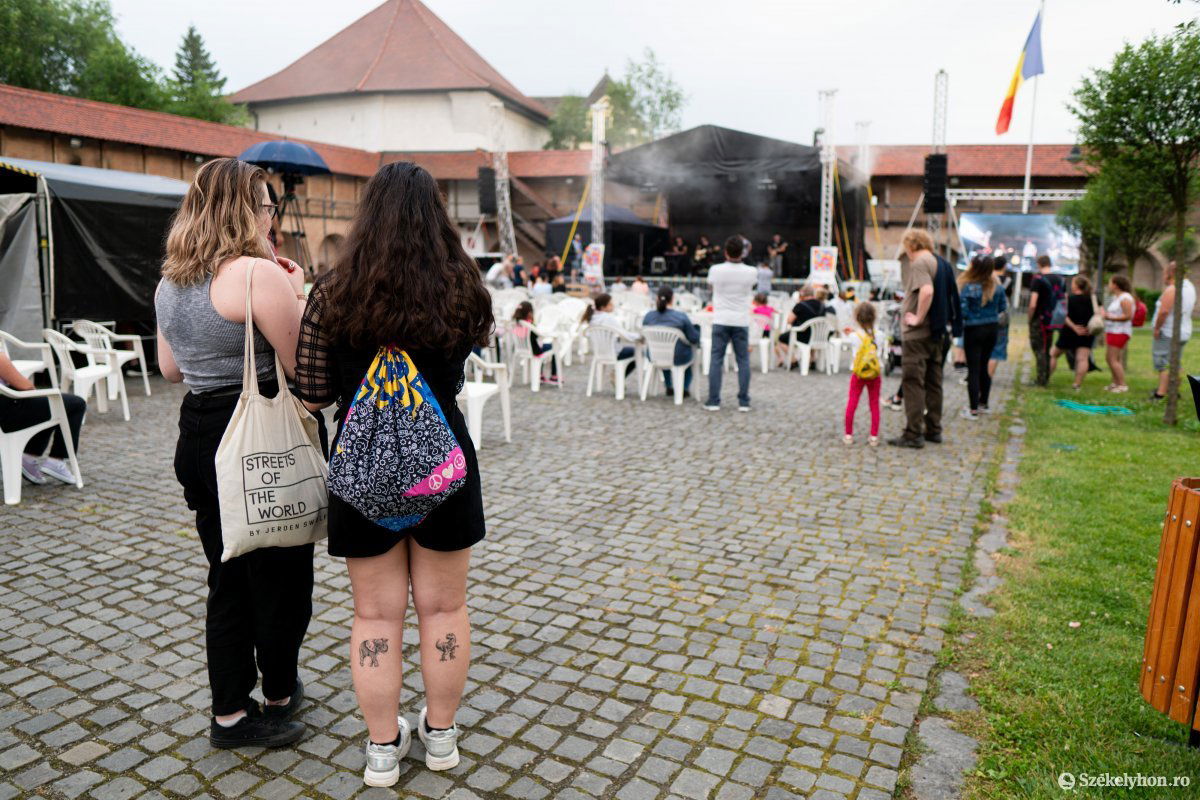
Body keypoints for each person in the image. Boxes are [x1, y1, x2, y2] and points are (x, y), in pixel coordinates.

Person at [294, 162, 491, 785]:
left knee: (375, 618)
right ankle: (442, 737)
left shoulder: (333, 291)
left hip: (362, 469)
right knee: (444, 608)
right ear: (436, 215)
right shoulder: (461, 284)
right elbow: (461, 367)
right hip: (441, 466)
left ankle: (382, 748)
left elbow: (313, 393)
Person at [155, 158, 315, 749]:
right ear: (248, 211)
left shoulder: (169, 282)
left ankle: (228, 711)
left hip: (199, 432)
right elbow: (303, 369)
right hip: (258, 432)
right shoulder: (257, 275)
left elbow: (171, 370)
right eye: (268, 206)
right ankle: (278, 694)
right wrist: (295, 291)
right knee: (281, 576)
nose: (272, 216)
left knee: (227, 576)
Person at [888, 230, 941, 448]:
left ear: (911, 245)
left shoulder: (920, 263)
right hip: (933, 332)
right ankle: (933, 428)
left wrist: (918, 318)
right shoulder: (937, 262)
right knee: (933, 381)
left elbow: (926, 291)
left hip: (917, 335)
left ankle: (913, 432)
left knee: (913, 382)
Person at [0, 351, 86, 485]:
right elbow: (26, 386)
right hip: (7, 415)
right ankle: (56, 460)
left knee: (46, 404)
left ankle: (29, 458)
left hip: (6, 410)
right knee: (75, 404)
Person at [704, 236, 757, 411]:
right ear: (742, 252)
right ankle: (744, 401)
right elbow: (752, 287)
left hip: (721, 319)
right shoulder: (751, 271)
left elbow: (711, 287)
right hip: (741, 320)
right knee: (743, 361)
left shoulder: (715, 270)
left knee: (716, 360)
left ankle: (713, 400)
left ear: (725, 252)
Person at [958, 254, 1007, 419]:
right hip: (992, 329)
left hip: (973, 330)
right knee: (984, 366)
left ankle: (973, 409)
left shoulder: (968, 287)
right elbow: (1002, 307)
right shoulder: (997, 287)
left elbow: (963, 311)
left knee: (973, 369)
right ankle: (983, 403)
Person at [642, 286, 700, 394]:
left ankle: (669, 385)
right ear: (672, 298)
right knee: (689, 353)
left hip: (654, 355)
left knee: (664, 349)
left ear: (657, 298)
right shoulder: (681, 316)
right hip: (678, 357)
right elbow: (694, 338)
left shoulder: (648, 316)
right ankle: (684, 388)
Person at [1151, 261, 1195, 400]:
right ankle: (1173, 391)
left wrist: (1157, 328)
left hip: (1168, 331)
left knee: (1163, 362)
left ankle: (1160, 394)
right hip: (1183, 330)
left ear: (1171, 272)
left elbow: (1164, 311)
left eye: (1165, 272)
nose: (1164, 276)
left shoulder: (1173, 288)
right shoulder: (1190, 287)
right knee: (1175, 362)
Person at [843, 302, 881, 447]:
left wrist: (851, 332)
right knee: (874, 404)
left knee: (852, 402)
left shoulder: (854, 336)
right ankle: (874, 436)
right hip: (874, 373)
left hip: (858, 373)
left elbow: (854, 339)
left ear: (857, 318)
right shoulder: (880, 335)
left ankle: (848, 434)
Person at [1048, 275, 1096, 392]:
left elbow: (1063, 315)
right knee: (1082, 358)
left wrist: (1074, 327)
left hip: (1068, 332)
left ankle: (1045, 378)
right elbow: (1101, 314)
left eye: (1073, 283)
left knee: (1053, 354)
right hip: (1087, 332)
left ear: (1077, 286)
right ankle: (1077, 384)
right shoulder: (1093, 299)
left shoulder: (1069, 299)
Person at [1027, 254, 1064, 387]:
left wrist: (1030, 318)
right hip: (1053, 319)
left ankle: (1041, 380)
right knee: (1047, 347)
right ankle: (1046, 377)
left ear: (1039, 264)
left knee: (1039, 349)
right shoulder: (1060, 279)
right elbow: (1063, 299)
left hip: (1040, 319)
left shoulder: (1038, 280)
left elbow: (1033, 304)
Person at [775, 284, 832, 368]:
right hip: (820, 336)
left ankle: (793, 359)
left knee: (781, 339)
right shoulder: (822, 305)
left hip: (803, 335)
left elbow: (789, 321)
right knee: (811, 333)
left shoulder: (800, 305)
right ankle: (812, 359)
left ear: (802, 294)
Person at [582, 293, 638, 376]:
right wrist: (639, 336)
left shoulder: (592, 318)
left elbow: (587, 334)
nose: (613, 305)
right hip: (614, 352)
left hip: (599, 353)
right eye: (611, 304)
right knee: (639, 352)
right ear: (603, 307)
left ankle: (618, 374)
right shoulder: (608, 318)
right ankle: (620, 375)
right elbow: (626, 335)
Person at [1102, 274, 1135, 393]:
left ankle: (1122, 385)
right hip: (1113, 330)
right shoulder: (1117, 297)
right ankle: (1115, 383)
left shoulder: (1125, 298)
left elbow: (1128, 316)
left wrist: (1109, 317)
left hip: (1120, 331)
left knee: (1112, 359)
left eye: (1110, 283)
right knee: (1112, 358)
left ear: (1116, 285)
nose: (1109, 285)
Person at [512, 301, 558, 385]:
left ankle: (540, 374)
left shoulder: (516, 323)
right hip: (534, 351)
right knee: (551, 347)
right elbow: (538, 336)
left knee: (543, 346)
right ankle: (554, 376)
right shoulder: (529, 324)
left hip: (521, 349)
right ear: (529, 312)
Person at [987, 256, 1014, 380]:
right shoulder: (1008, 280)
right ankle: (988, 377)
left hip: (986, 315)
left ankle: (980, 375)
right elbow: (1008, 297)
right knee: (997, 348)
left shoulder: (987, 278)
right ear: (1004, 266)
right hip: (1001, 317)